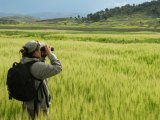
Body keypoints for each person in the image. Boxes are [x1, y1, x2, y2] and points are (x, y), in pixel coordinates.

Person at [20, 40, 62, 119]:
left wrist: (42, 57)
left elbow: (36, 69)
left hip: (27, 104)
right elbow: (58, 67)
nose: (41, 51)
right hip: (38, 107)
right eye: (39, 49)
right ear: (35, 52)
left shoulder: (23, 62)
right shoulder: (37, 67)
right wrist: (50, 54)